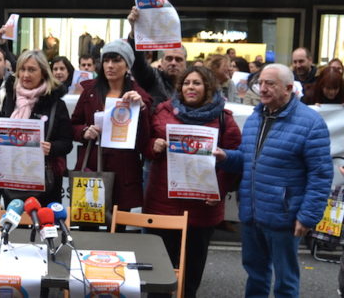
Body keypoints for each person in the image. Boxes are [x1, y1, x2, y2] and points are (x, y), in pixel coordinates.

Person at [213, 63, 332, 298]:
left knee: (285, 281)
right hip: (252, 214)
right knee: (255, 275)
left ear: (288, 88)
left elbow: (320, 175)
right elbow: (248, 160)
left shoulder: (310, 123)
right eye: (260, 83)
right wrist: (225, 156)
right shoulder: (257, 117)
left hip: (284, 217)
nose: (263, 88)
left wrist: (308, 216)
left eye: (270, 84)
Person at [144, 66, 242, 298]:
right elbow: (144, 144)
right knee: (158, 272)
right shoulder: (162, 111)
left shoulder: (223, 119)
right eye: (187, 83)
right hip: (163, 205)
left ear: (207, 87)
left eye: (197, 83)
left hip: (201, 209)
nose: (190, 87)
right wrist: (152, 146)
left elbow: (236, 160)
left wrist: (218, 189)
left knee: (190, 274)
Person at [70, 39, 151, 217]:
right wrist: (84, 131)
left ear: (128, 65)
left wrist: (142, 109)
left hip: (124, 171)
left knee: (118, 228)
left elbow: (145, 138)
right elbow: (73, 125)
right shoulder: (90, 91)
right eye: (106, 61)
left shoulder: (139, 96)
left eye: (116, 60)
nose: (110, 66)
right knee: (88, 223)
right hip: (91, 165)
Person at [0, 50, 72, 206]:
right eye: (22, 69)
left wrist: (51, 147)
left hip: (45, 184)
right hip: (11, 181)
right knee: (15, 227)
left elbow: (67, 143)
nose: (26, 74)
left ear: (43, 73)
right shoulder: (6, 99)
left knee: (44, 228)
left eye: (32, 70)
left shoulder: (56, 104)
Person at [127, 6, 188, 109]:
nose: (173, 63)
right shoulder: (153, 77)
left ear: (186, 63)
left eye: (178, 59)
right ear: (161, 61)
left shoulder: (191, 83)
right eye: (169, 58)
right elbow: (138, 63)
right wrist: (135, 31)